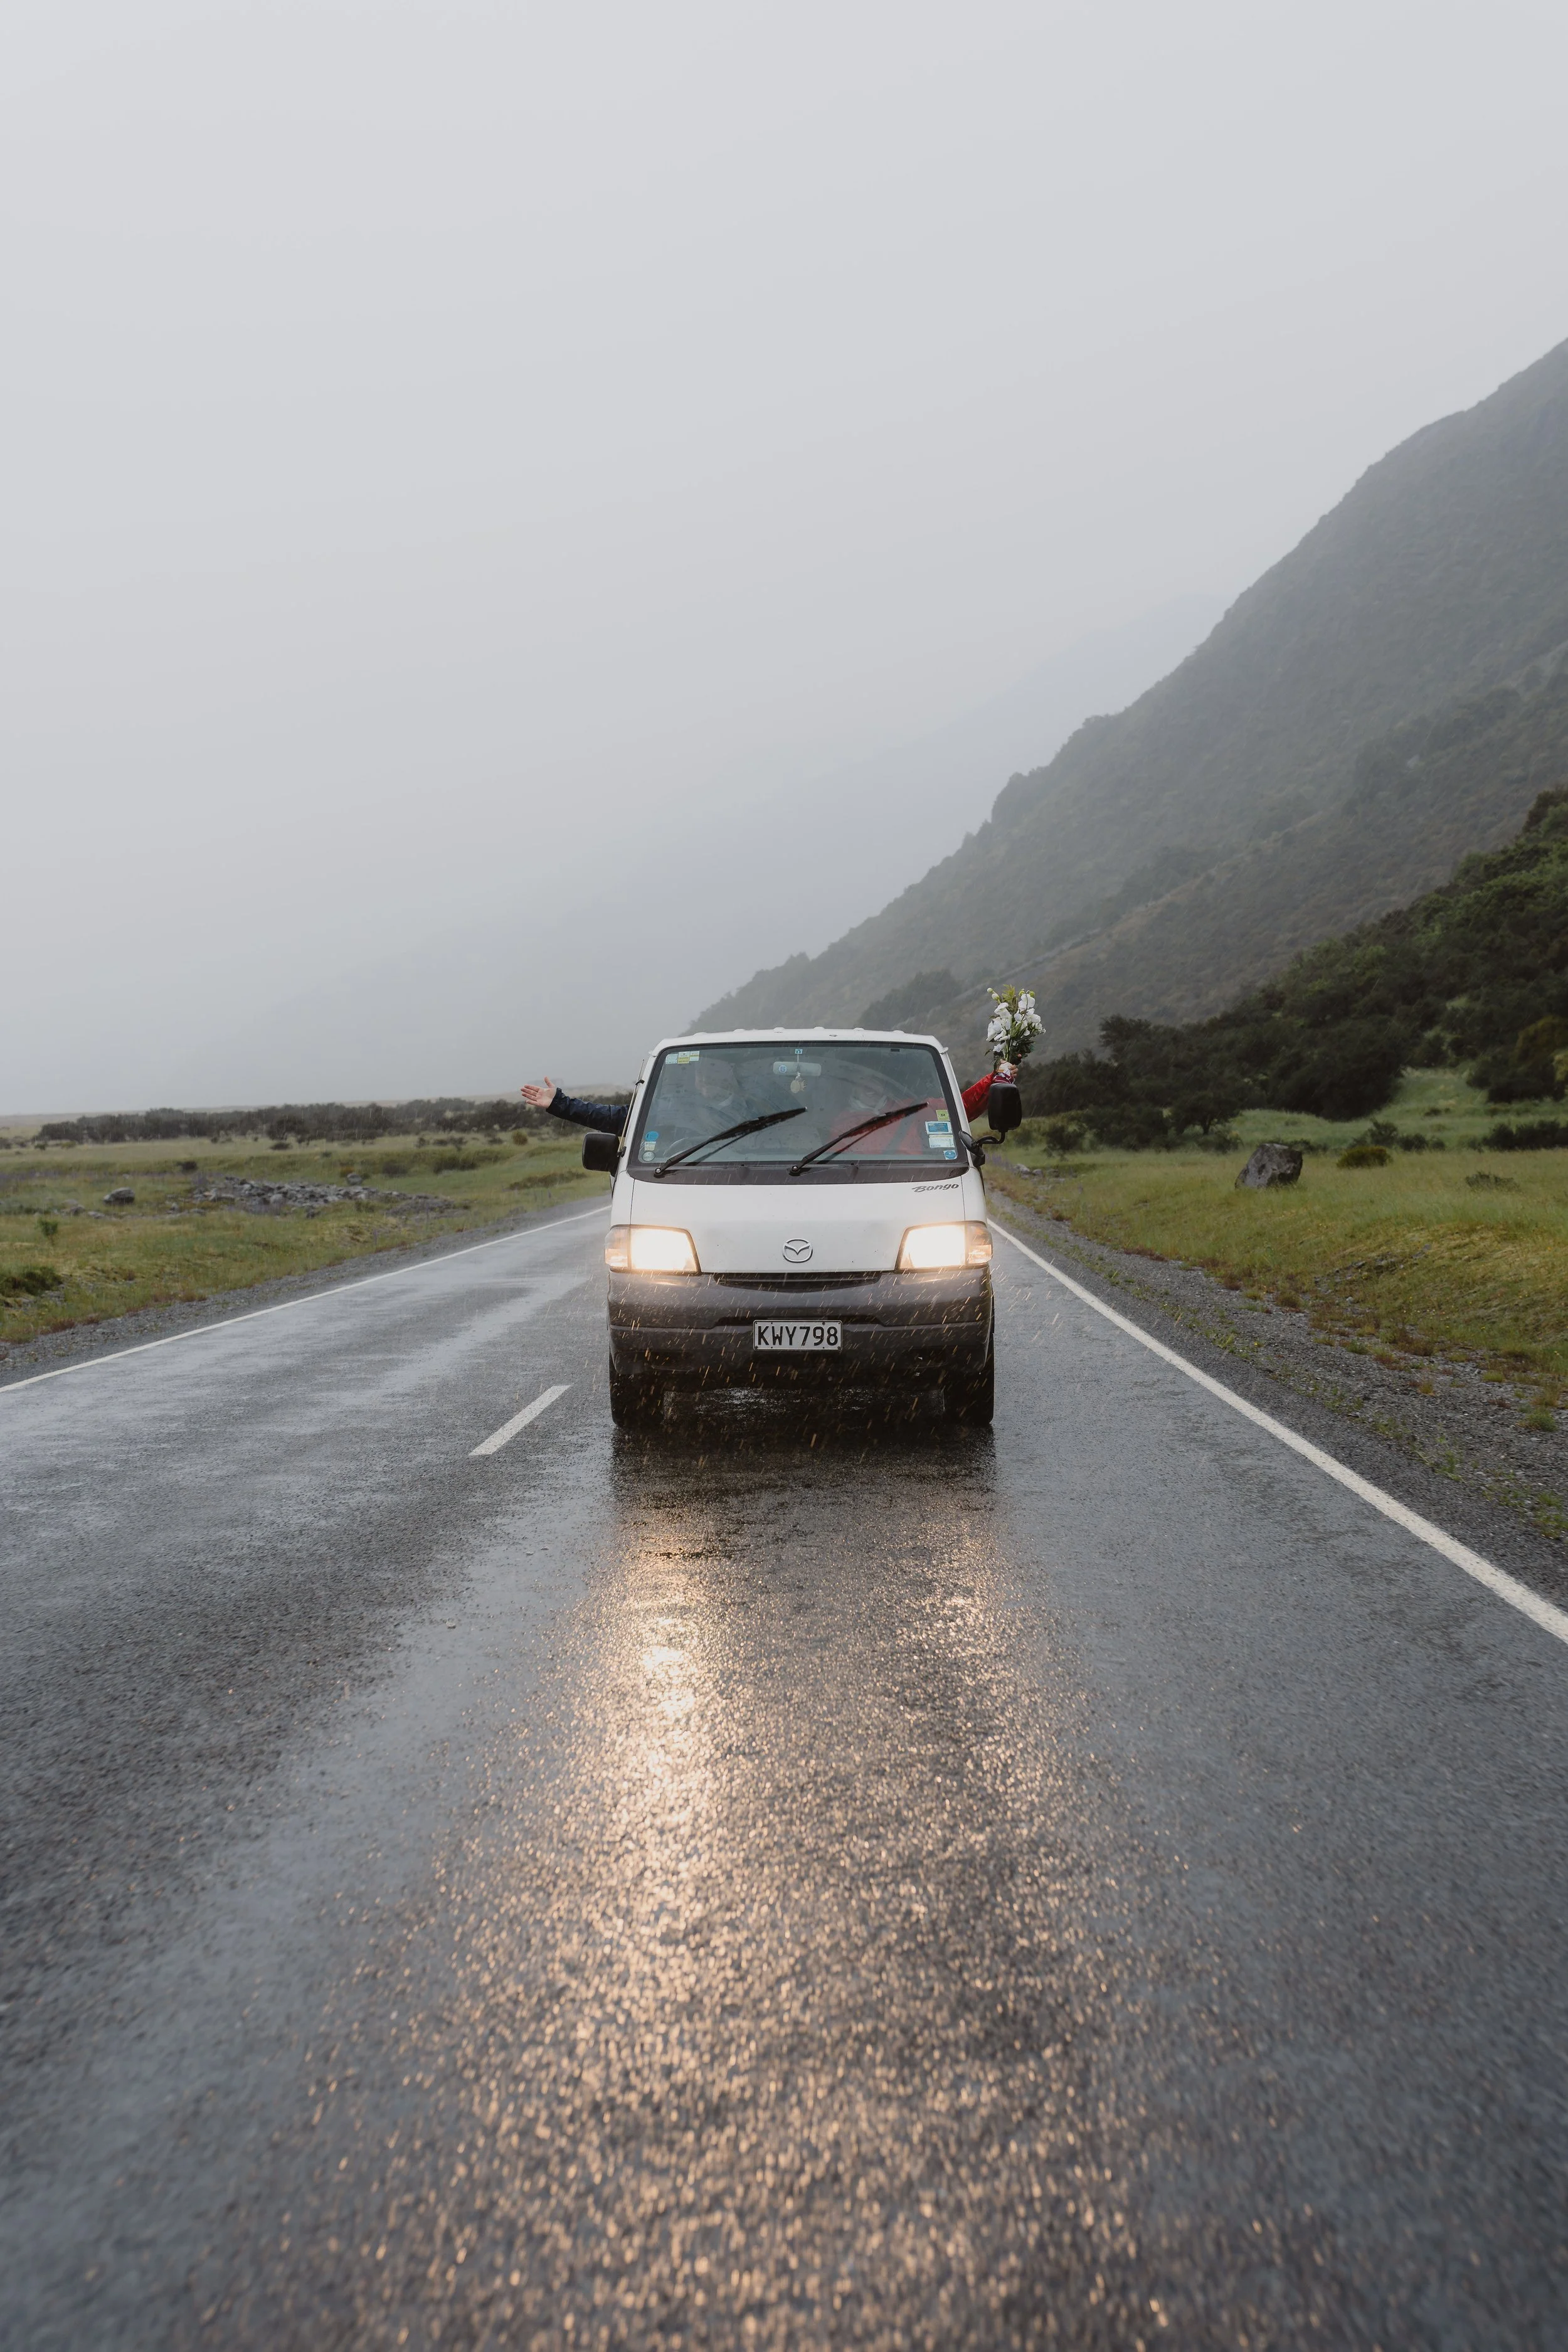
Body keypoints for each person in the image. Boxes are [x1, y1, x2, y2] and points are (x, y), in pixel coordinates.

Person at [521, 1056, 1015, 1142]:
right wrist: (560, 1103)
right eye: (703, 1076)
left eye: (719, 1075)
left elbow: (961, 1106)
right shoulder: (667, 1111)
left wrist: (999, 1076)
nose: (710, 1082)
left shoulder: (765, 1110)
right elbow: (616, 1119)